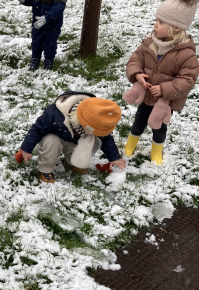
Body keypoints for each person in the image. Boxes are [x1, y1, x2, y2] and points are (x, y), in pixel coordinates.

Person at [123, 0, 199, 164]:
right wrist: (137, 74)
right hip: (146, 95)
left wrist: (165, 89)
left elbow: (188, 80)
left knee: (159, 126)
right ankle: (130, 145)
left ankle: (156, 152)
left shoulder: (186, 54)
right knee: (139, 121)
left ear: (176, 27)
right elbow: (135, 59)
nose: (155, 25)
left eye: (161, 22)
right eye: (156, 20)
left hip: (165, 101)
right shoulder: (149, 43)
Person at [15, 92, 126, 183]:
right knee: (52, 142)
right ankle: (45, 170)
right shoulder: (55, 114)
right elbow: (37, 129)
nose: (98, 133)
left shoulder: (97, 117)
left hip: (72, 140)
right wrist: (26, 148)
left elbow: (106, 138)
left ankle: (70, 162)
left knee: (94, 141)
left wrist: (114, 157)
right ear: (83, 121)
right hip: (54, 137)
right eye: (95, 130)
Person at [18, 0, 66, 71]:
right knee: (36, 44)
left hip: (52, 26)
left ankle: (48, 62)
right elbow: (32, 1)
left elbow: (58, 7)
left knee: (50, 46)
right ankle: (35, 60)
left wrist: (47, 17)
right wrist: (24, 1)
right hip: (38, 24)